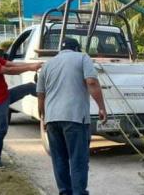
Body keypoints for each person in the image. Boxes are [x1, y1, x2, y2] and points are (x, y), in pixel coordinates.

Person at [37, 38, 107, 195]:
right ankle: (79, 193)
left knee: (59, 159)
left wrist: (43, 118)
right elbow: (91, 82)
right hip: (75, 118)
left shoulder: (47, 64)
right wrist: (101, 107)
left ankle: (65, 192)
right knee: (78, 160)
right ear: (76, 48)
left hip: (52, 119)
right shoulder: (82, 57)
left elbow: (41, 94)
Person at [0, 36, 42, 168]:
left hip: (5, 95)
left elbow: (11, 64)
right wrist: (30, 68)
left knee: (29, 87)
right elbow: (9, 71)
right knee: (2, 129)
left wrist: (32, 65)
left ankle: (49, 97)